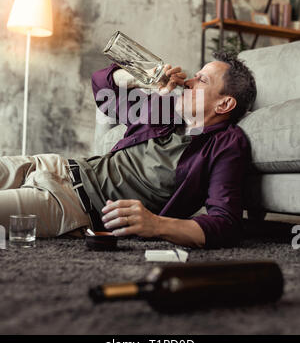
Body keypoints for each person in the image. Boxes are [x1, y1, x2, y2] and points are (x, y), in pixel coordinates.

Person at [0, 50, 256, 249]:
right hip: (54, 165)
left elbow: (226, 223)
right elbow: (102, 88)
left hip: (71, 205)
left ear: (224, 104)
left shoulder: (226, 144)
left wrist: (156, 225)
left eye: (201, 80)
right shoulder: (164, 111)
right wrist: (141, 78)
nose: (188, 82)